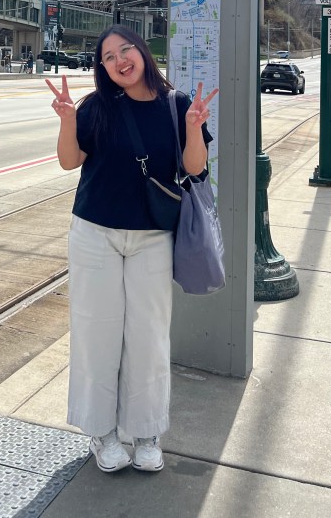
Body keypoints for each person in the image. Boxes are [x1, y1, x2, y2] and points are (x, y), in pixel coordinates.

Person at [46, 25, 215, 475]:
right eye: (109, 57)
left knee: (149, 337)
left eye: (126, 50)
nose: (121, 60)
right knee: (95, 333)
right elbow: (69, 161)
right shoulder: (96, 108)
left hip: (152, 237)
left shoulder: (177, 104)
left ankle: (146, 431)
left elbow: (194, 167)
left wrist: (195, 127)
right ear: (102, 68)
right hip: (95, 233)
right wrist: (66, 120)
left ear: (142, 52)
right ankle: (100, 432)